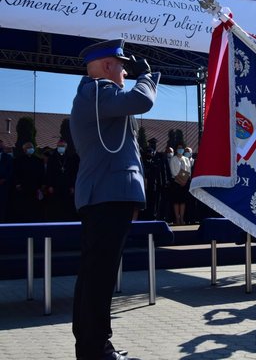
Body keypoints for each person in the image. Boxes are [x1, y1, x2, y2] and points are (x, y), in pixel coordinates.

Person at [70, 38, 159, 360]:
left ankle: (94, 347)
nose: (125, 71)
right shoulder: (97, 92)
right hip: (106, 195)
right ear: (108, 65)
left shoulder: (99, 96)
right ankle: (96, 350)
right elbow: (142, 100)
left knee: (97, 275)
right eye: (122, 66)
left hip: (109, 195)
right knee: (99, 277)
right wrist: (147, 76)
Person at [12, 141, 44, 222]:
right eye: (28, 147)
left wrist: (41, 186)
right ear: (24, 149)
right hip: (23, 187)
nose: (30, 149)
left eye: (31, 147)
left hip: (35, 188)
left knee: (35, 206)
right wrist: (17, 184)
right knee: (24, 206)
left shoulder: (38, 160)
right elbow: (15, 173)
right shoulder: (18, 160)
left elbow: (41, 174)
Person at [169, 144, 192, 225]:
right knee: (176, 202)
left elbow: (188, 171)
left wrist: (184, 181)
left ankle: (182, 218)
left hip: (184, 183)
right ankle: (177, 218)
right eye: (179, 148)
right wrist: (180, 180)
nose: (180, 150)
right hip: (176, 183)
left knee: (183, 202)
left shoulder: (186, 159)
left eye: (182, 148)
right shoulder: (173, 159)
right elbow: (173, 172)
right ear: (176, 149)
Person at [0, 139, 14, 222]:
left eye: (1, 145)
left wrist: (4, 179)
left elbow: (10, 171)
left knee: (2, 206)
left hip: (3, 186)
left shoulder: (8, 157)